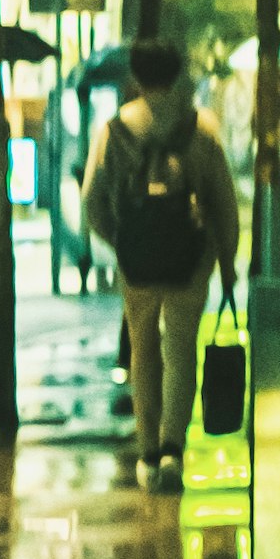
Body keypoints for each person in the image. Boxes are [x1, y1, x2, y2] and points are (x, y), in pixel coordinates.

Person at [83, 35, 243, 489]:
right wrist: (226, 262)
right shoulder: (202, 127)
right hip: (191, 261)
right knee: (181, 350)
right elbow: (224, 203)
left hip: (137, 265)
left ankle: (147, 452)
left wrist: (122, 241)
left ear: (136, 76)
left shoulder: (113, 131)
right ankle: (174, 447)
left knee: (143, 353)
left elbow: (92, 201)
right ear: (176, 76)